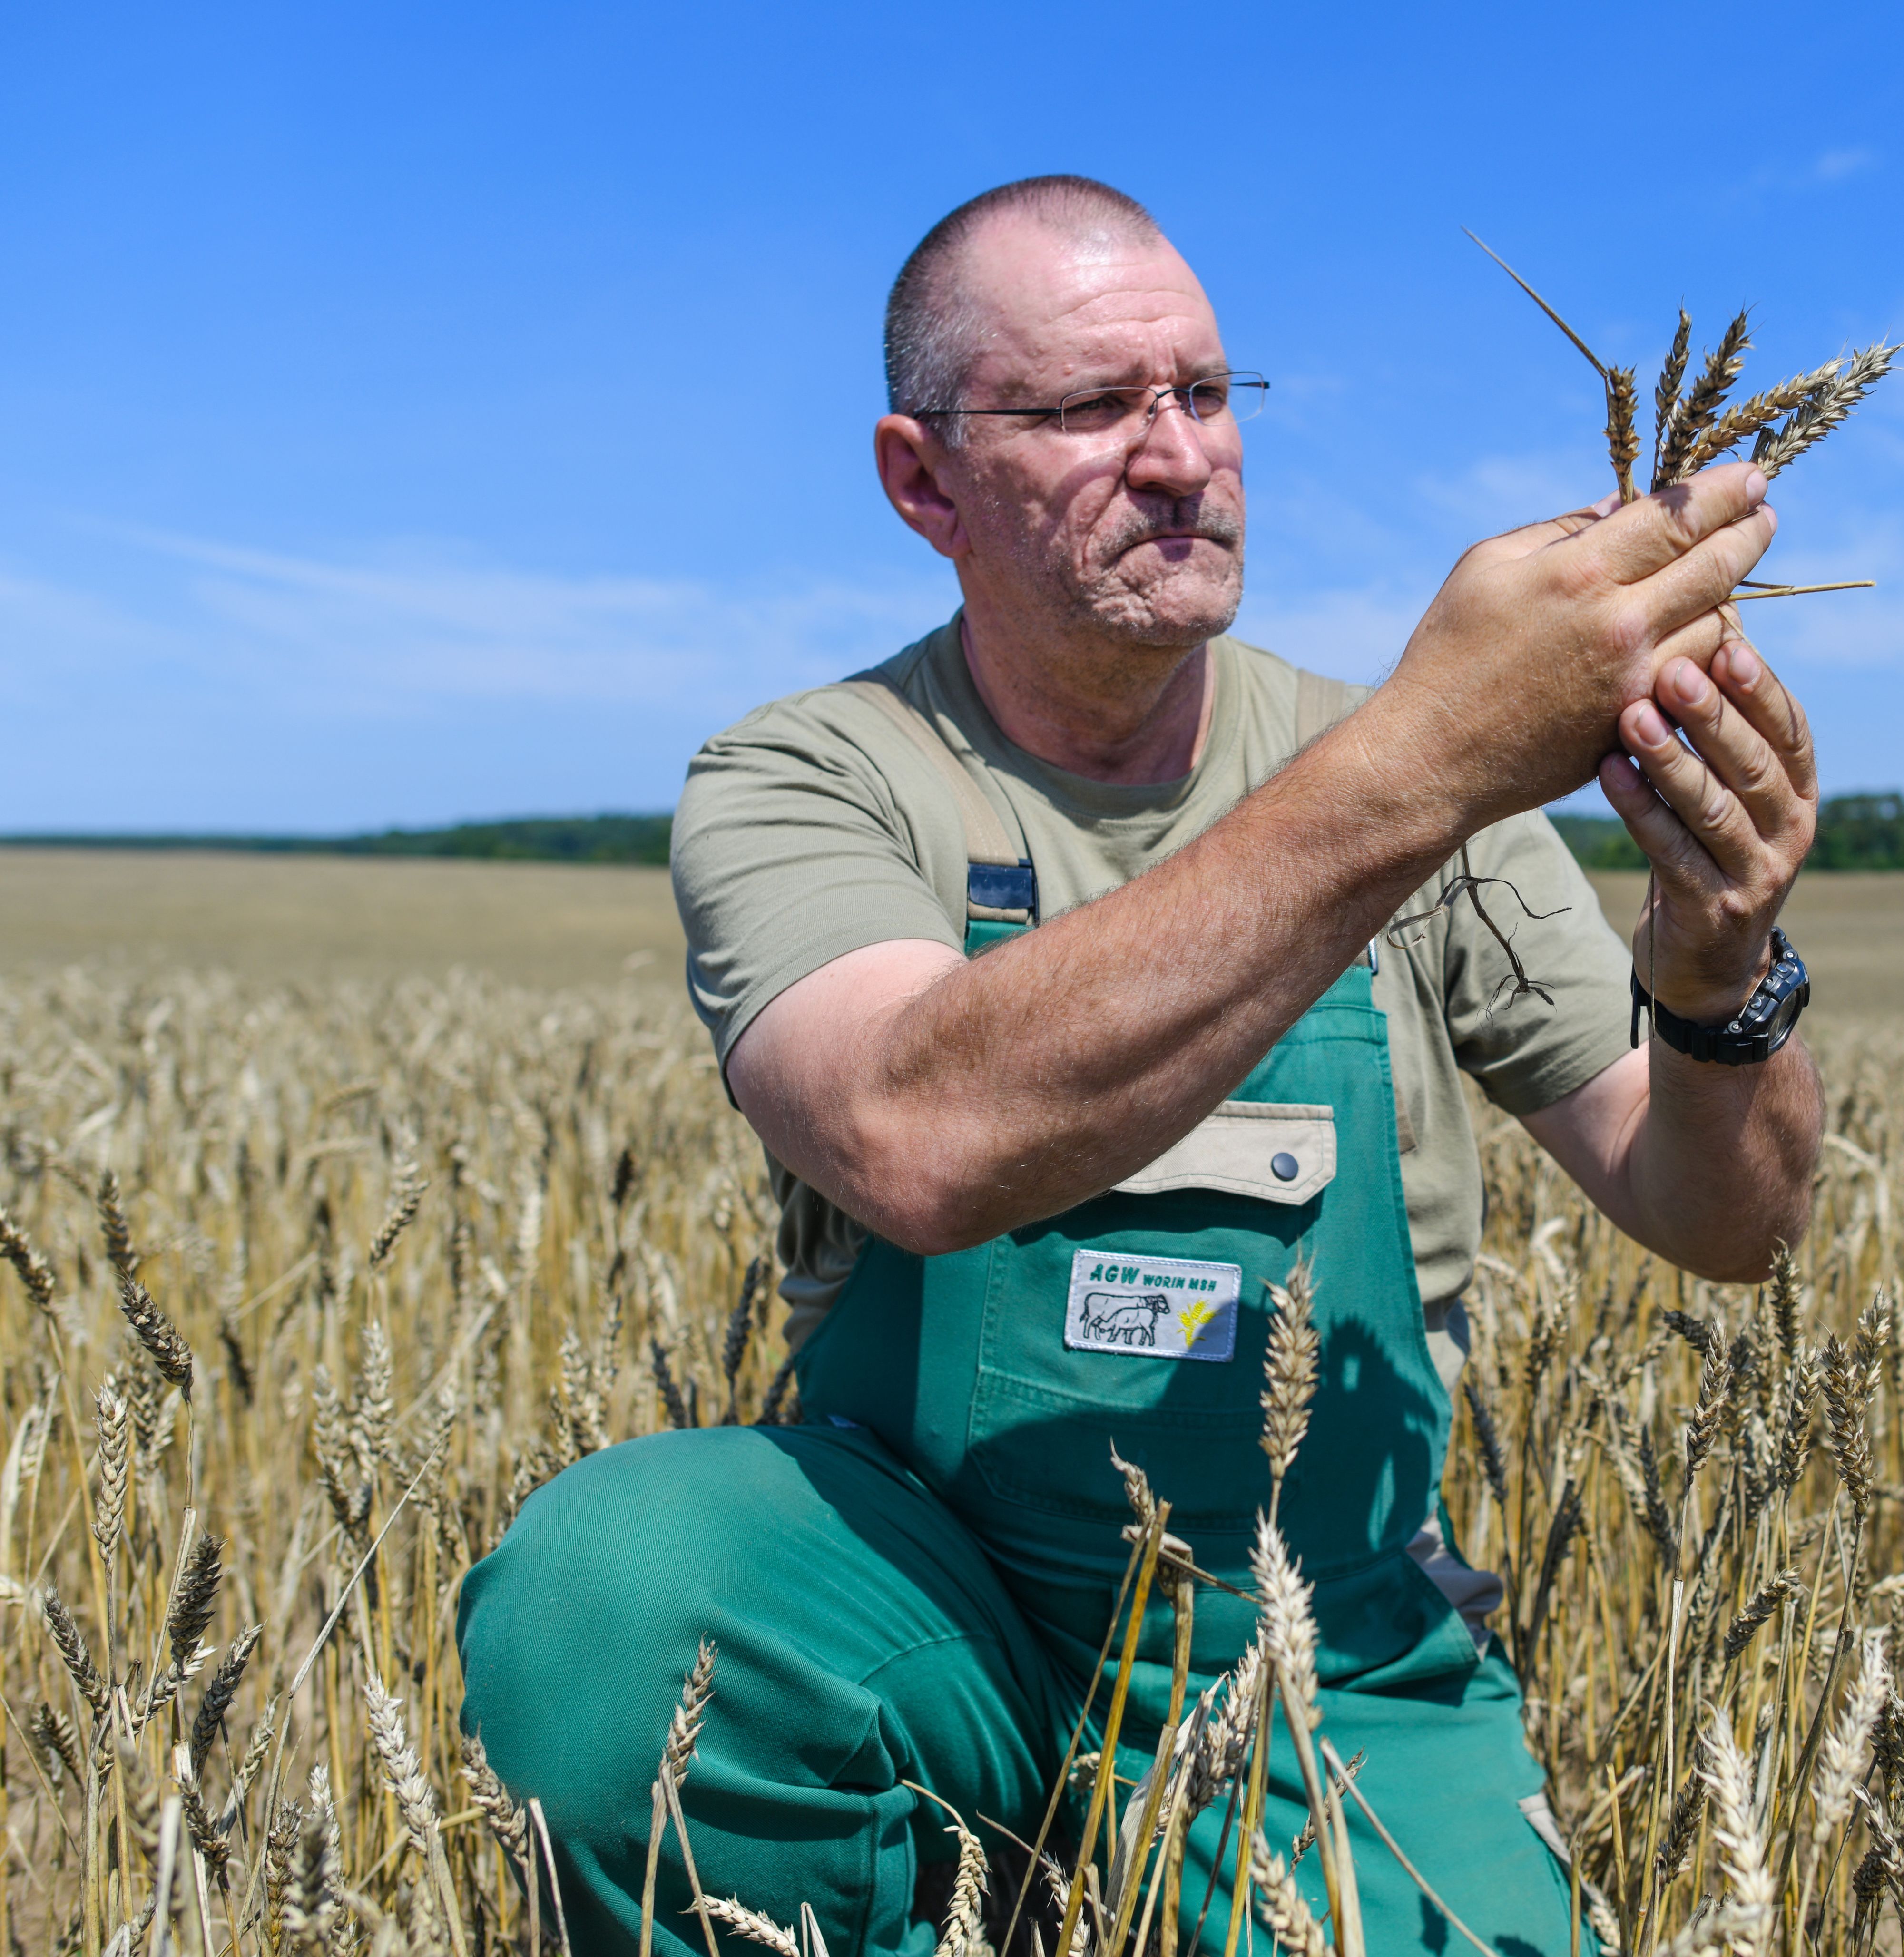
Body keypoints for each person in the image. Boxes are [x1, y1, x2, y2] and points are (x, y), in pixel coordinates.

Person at [457, 175, 1824, 1957]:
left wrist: (1722, 976)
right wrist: (1427, 761)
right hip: (924, 1605)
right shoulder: (817, 775)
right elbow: (915, 1125)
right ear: (922, 480)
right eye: (1096, 408)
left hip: (1305, 1646)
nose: (1180, 455)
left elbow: (1725, 1220)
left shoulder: (1405, 773)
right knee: (612, 1603)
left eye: (1204, 392)